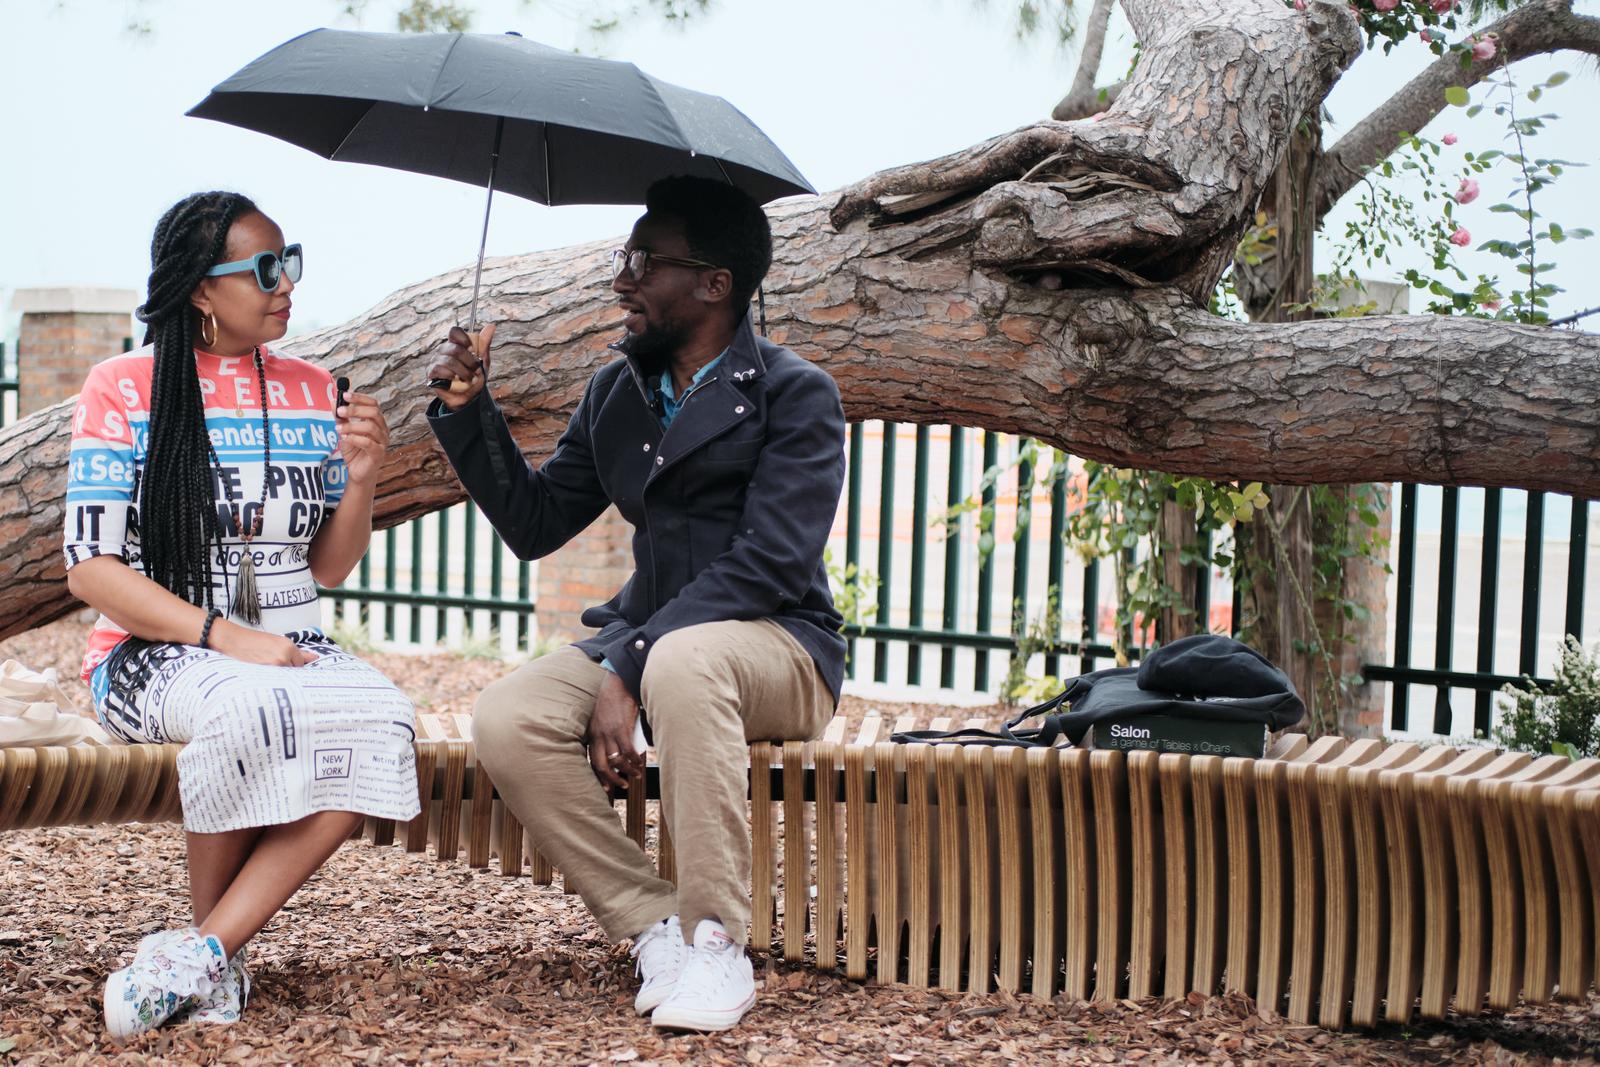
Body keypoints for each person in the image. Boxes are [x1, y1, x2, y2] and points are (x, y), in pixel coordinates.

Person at [426, 175, 846, 1032]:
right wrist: (471, 415)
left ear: (714, 284)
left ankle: (715, 940)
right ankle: (654, 923)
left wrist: (629, 657)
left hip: (780, 645)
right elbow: (538, 521)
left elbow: (768, 564)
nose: (622, 279)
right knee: (509, 714)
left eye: (643, 261)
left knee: (686, 662)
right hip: (658, 646)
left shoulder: (795, 394)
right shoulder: (619, 393)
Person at [63, 191, 420, 1040]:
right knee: (246, 703)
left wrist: (363, 476)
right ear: (199, 290)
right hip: (156, 650)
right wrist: (225, 637)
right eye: (264, 269)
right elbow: (91, 568)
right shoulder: (124, 388)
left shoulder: (312, 391)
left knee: (386, 718)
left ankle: (204, 953)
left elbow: (326, 566)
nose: (285, 283)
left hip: (293, 645)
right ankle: (213, 957)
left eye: (289, 261)